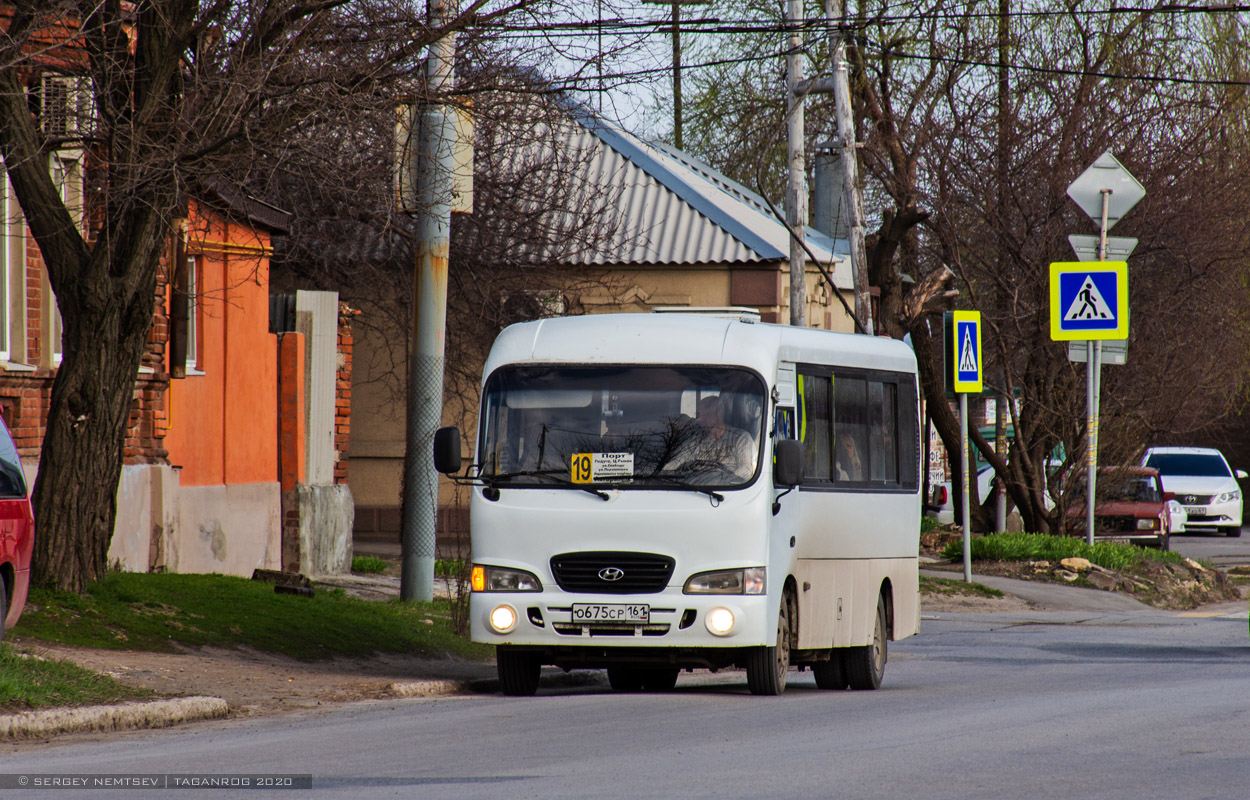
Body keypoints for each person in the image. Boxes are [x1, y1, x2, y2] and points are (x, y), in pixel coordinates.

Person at [664, 395, 756, 480]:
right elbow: (674, 463)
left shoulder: (741, 438)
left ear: (719, 414)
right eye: (697, 415)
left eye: (702, 414)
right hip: (695, 489)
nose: (698, 419)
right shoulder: (695, 440)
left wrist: (722, 482)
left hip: (728, 493)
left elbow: (747, 470)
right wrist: (659, 475)